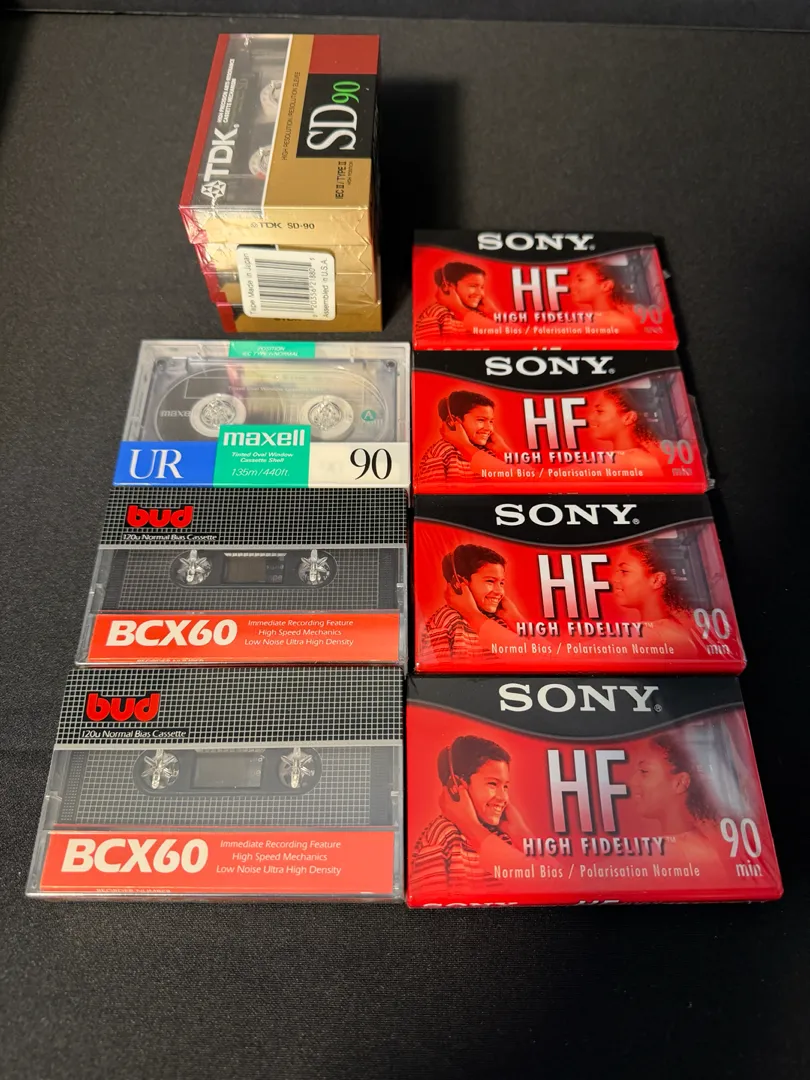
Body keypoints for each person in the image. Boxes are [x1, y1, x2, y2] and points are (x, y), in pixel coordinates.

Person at [410, 735, 531, 894]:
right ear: (456, 786)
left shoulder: (504, 837)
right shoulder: (441, 838)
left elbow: (545, 882)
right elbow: (429, 901)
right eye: (492, 784)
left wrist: (521, 834)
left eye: (505, 787)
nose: (503, 798)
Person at [629, 731, 725, 869]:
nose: (633, 781)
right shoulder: (691, 848)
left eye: (644, 771)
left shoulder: (692, 856)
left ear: (680, 783)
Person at [420, 544, 523, 664]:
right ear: (459, 583)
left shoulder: (500, 620)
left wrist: (514, 619)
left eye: (501, 583)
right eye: (490, 581)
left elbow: (535, 654)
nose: (500, 591)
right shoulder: (448, 622)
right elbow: (437, 672)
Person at [610, 542, 700, 654]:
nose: (614, 579)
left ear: (657, 580)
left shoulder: (652, 635)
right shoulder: (671, 629)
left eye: (624, 572)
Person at [417, 390, 504, 485]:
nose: (489, 428)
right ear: (452, 421)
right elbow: (431, 492)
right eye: (481, 420)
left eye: (491, 421)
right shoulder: (442, 453)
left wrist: (501, 449)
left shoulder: (489, 452)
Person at [586, 387, 664, 475]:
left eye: (600, 411)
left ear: (628, 418)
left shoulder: (616, 462)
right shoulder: (646, 458)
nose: (590, 417)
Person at [414, 262, 493, 344]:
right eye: (473, 286)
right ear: (446, 286)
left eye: (482, 287)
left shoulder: (480, 314)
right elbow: (428, 349)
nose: (481, 293)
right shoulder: (435, 315)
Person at [568, 259, 638, 333]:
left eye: (580, 280)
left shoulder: (618, 323)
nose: (572, 285)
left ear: (606, 286)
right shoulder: (598, 320)